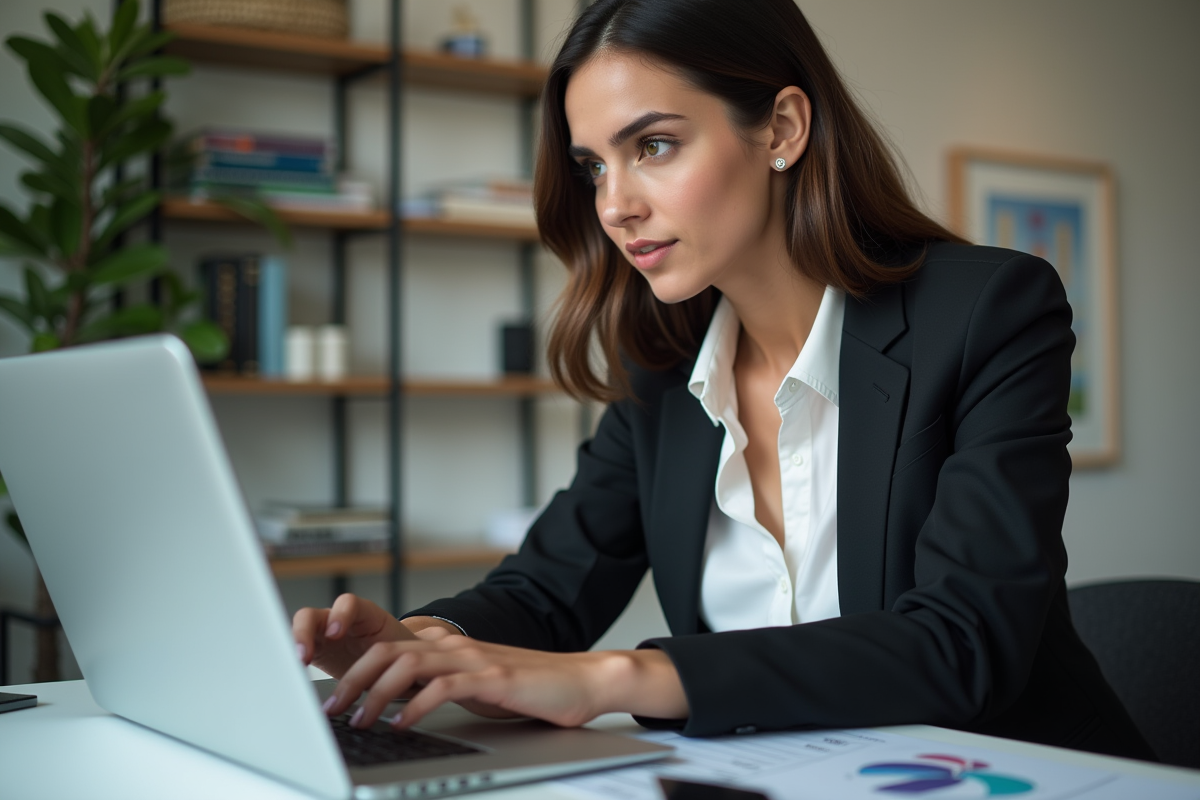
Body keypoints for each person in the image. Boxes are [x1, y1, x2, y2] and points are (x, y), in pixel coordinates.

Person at [293, 0, 1154, 760]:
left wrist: (617, 679)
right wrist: (417, 643)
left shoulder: (987, 312)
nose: (614, 204)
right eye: (594, 164)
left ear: (781, 128)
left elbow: (963, 644)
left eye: (653, 146)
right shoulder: (667, 371)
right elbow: (548, 588)